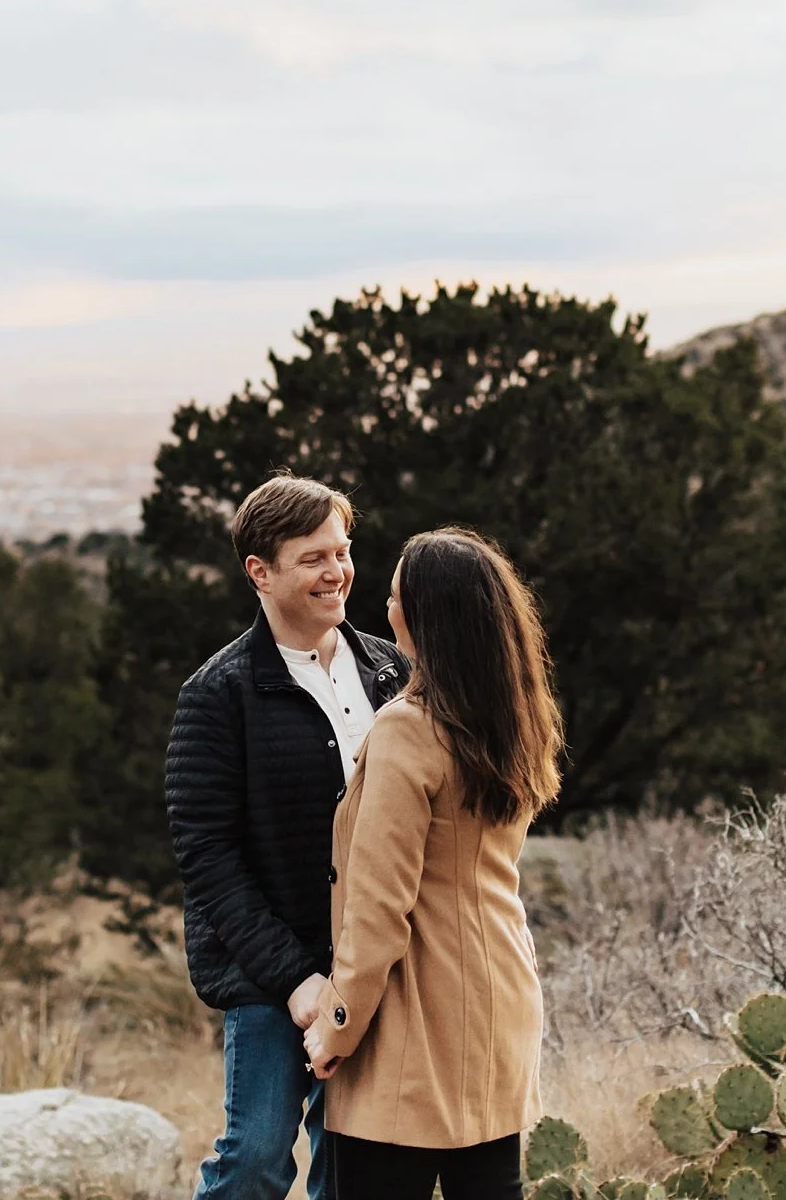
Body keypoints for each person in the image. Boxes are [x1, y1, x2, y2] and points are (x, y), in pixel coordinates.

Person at [168, 475, 411, 1200]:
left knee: (352, 1166)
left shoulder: (392, 673)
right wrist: (295, 979)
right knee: (256, 1159)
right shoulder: (217, 693)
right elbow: (207, 856)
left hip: (370, 964)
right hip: (266, 971)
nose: (337, 571)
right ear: (260, 571)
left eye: (342, 550)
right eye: (313, 557)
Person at [302, 527, 563, 1200]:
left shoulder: (408, 727)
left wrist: (337, 1024)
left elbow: (380, 909)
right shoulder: (517, 718)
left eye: (394, 597)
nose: (385, 608)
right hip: (502, 997)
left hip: (416, 1019)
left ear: (423, 617)